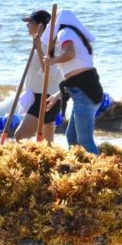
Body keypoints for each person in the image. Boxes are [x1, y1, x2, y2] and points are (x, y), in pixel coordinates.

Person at [43, 9, 104, 155]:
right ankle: (80, 169)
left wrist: (52, 61)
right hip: (85, 89)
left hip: (85, 92)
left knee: (85, 141)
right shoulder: (73, 34)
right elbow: (74, 76)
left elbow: (70, 53)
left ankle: (100, 174)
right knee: (72, 137)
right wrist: (56, 96)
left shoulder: (64, 33)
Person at [14, 10, 61, 143]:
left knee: (20, 136)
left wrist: (40, 49)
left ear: (41, 25)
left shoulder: (51, 46)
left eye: (30, 22)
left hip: (47, 98)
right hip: (39, 97)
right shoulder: (40, 43)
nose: (27, 25)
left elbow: (50, 76)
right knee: (47, 146)